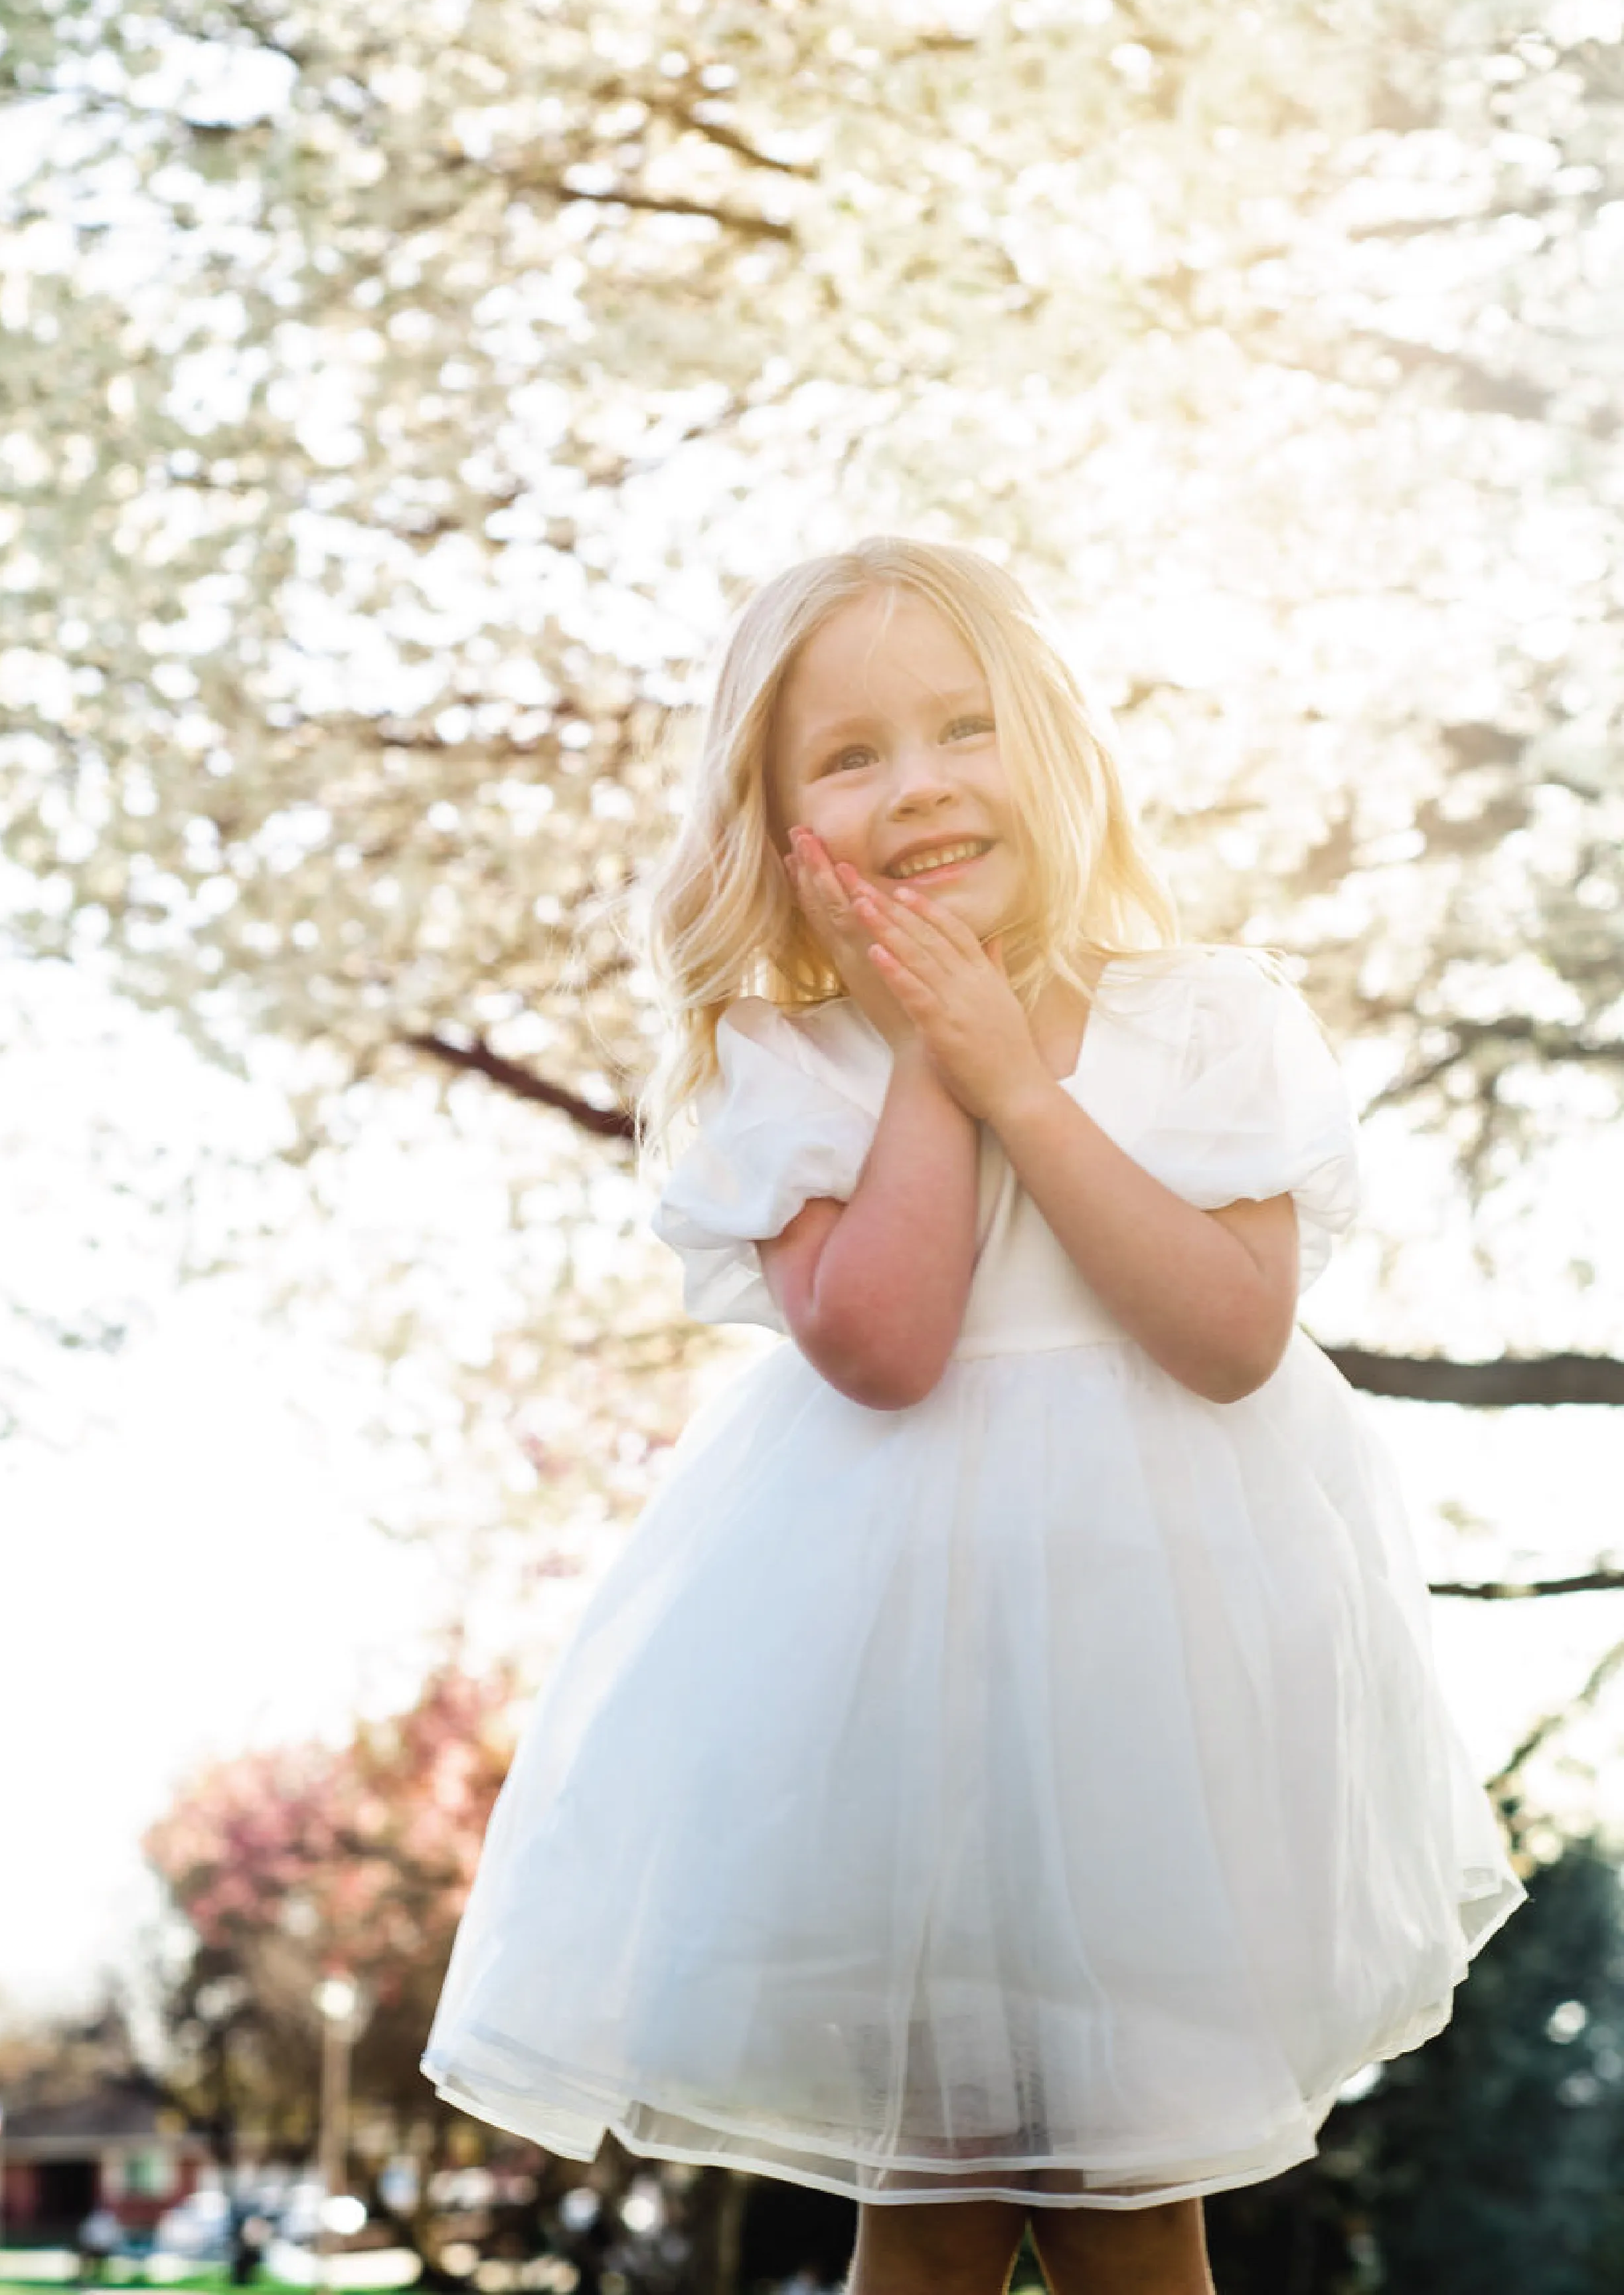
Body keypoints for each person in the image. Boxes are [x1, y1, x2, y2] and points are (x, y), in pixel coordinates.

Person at [419, 537, 1528, 2295]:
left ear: (1055, 751)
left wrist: (1021, 1069)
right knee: (924, 2193)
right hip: (892, 1713)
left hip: (1148, 1704)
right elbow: (884, 1345)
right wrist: (934, 1049)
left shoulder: (1206, 1024)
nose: (918, 782)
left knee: (1126, 2189)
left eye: (961, 727)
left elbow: (1230, 1335)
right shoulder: (781, 1068)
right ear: (777, 825)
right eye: (848, 757)